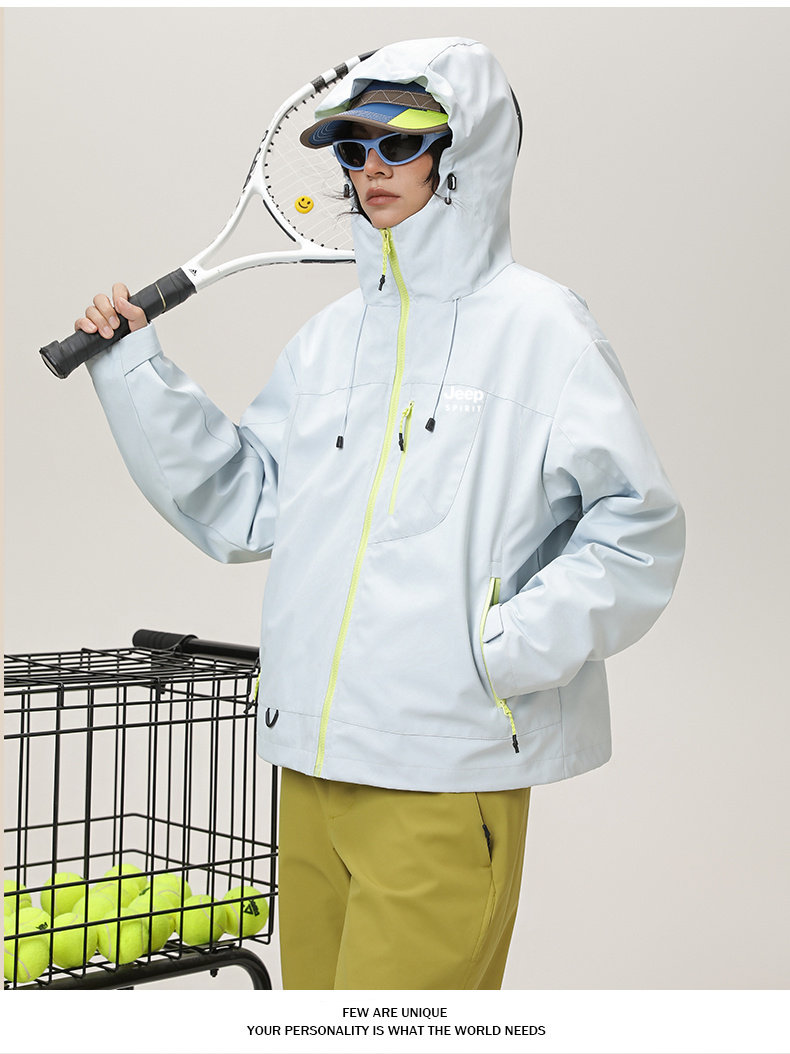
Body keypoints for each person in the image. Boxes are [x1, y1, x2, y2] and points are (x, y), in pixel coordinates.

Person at [75, 37, 685, 989]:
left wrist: (501, 653)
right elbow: (246, 505)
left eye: (399, 144)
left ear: (464, 149)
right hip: (308, 769)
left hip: (442, 775)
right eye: (353, 149)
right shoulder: (330, 342)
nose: (371, 169)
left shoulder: (544, 330)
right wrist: (134, 369)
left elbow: (637, 530)